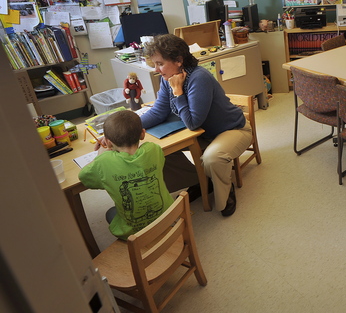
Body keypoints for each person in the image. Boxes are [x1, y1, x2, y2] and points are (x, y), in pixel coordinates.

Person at [140, 34, 252, 217]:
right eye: (155, 64)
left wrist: (178, 92)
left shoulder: (199, 78)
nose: (156, 69)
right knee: (156, 149)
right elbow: (158, 112)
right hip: (204, 133)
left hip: (232, 129)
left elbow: (192, 123)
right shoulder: (167, 78)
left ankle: (225, 189)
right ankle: (201, 181)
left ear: (178, 60)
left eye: (160, 63)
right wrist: (128, 128)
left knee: (212, 158)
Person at [78, 110, 173, 240]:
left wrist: (101, 155)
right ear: (142, 134)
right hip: (168, 216)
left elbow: (84, 177)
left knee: (110, 213)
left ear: (108, 142)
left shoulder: (103, 162)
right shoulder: (154, 149)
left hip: (134, 233)